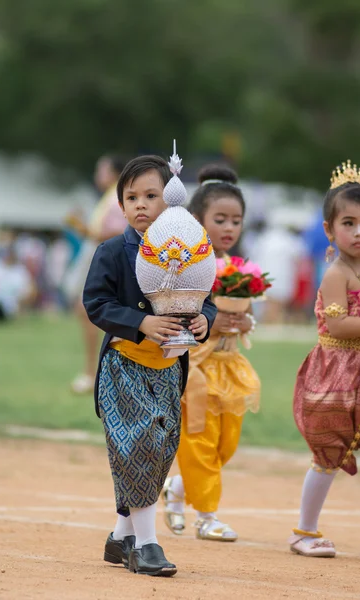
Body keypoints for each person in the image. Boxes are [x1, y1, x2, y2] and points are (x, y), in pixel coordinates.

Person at [83, 155, 217, 576]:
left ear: (171, 201)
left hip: (169, 370)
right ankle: (146, 545)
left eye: (151, 196)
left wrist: (203, 320)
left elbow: (205, 297)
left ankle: (120, 536)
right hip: (123, 367)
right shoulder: (112, 251)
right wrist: (140, 320)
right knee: (137, 446)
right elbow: (96, 303)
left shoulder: (190, 251)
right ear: (121, 205)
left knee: (158, 451)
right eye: (131, 197)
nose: (141, 205)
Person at [161, 165, 260, 541]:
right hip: (196, 367)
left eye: (236, 220)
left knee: (225, 446)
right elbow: (177, 314)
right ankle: (208, 517)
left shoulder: (239, 268)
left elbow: (248, 317)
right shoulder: (186, 264)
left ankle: (177, 488)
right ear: (197, 219)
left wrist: (243, 323)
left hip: (230, 366)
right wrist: (212, 324)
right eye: (220, 219)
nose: (229, 227)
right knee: (200, 440)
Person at [289, 160, 360, 558]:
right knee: (328, 453)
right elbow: (338, 328)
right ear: (328, 230)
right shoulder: (336, 273)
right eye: (349, 223)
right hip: (336, 375)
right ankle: (304, 530)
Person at [68, 155, 129, 394]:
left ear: (113, 173)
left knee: (88, 312)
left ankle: (92, 372)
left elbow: (115, 233)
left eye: (101, 169)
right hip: (99, 257)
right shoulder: (112, 196)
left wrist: (83, 228)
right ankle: (95, 372)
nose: (98, 175)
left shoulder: (115, 198)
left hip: (100, 259)